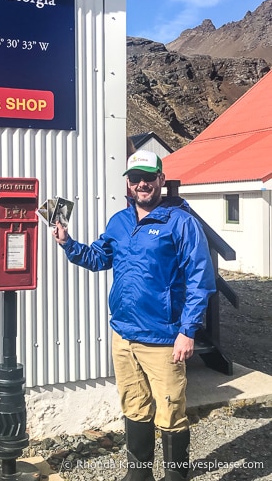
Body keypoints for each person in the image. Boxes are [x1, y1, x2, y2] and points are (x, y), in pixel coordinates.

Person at [52, 149, 216, 481]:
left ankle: (175, 478)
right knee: (134, 408)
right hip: (124, 335)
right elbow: (99, 258)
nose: (142, 184)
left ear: (161, 180)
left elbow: (201, 280)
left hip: (164, 339)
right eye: (135, 179)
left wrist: (188, 331)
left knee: (170, 413)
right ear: (128, 184)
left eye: (148, 178)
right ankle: (138, 475)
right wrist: (68, 243)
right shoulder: (120, 221)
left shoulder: (181, 223)